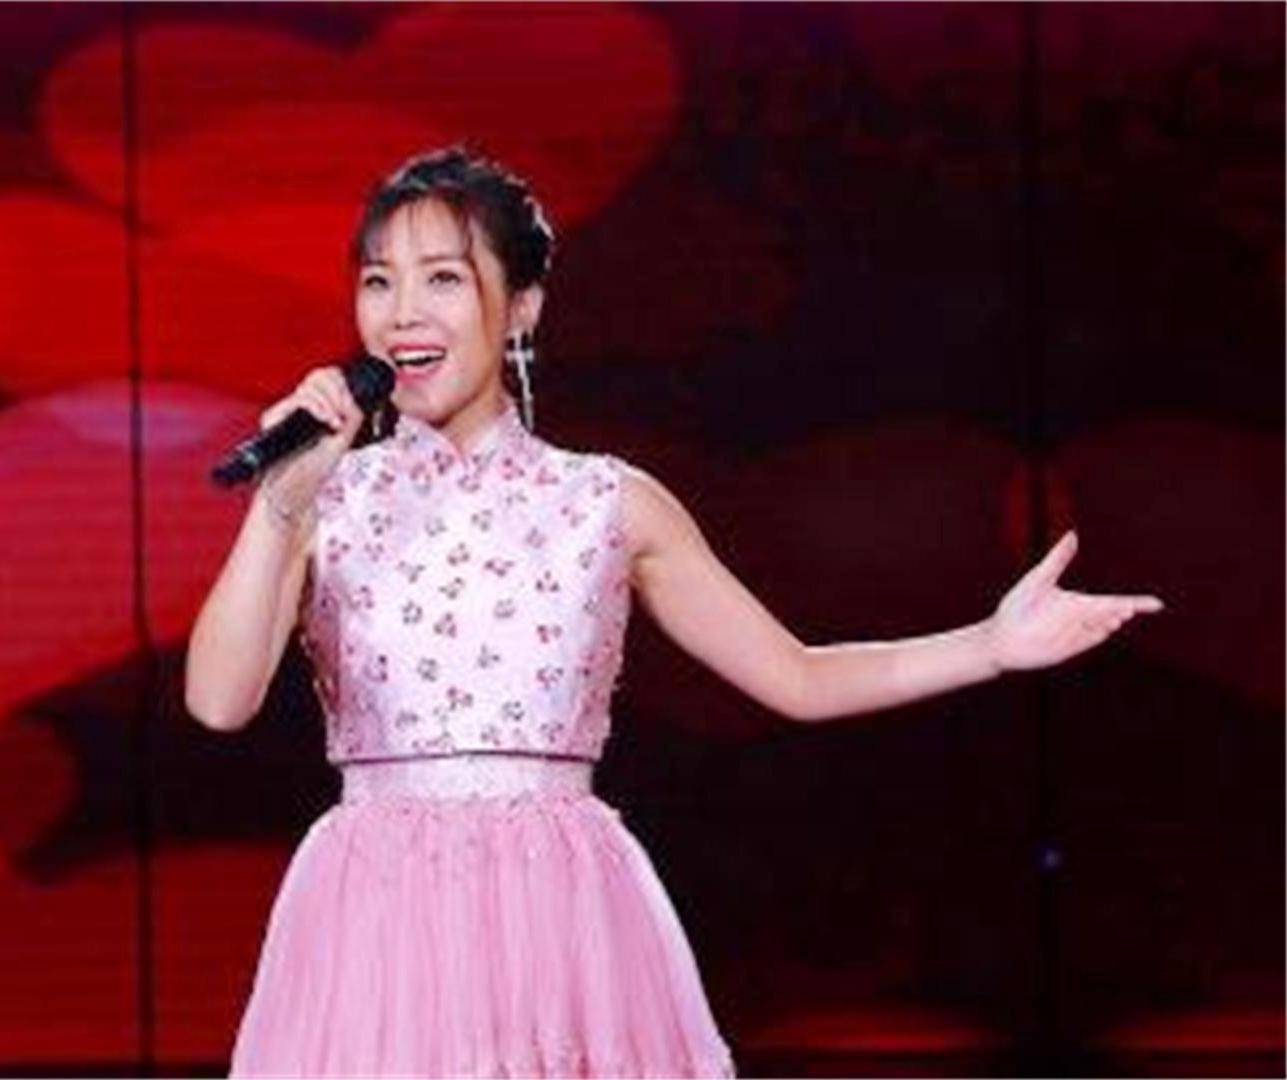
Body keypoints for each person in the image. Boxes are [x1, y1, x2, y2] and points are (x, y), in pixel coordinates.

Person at [183, 146, 1164, 1079]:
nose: (403, 311)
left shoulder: (607, 503)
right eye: (377, 280)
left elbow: (797, 677)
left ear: (521, 306)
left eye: (442, 277)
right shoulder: (324, 499)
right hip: (375, 923)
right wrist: (279, 507)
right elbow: (219, 703)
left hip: (562, 919)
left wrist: (990, 645)